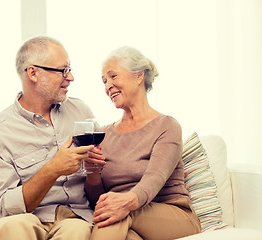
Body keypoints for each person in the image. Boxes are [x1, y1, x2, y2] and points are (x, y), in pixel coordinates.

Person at [0, 36, 105, 240]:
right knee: (15, 226)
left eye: (70, 69)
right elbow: (4, 207)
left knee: (77, 230)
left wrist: (94, 170)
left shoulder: (81, 111)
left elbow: (98, 185)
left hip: (74, 216)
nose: (71, 77)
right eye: (63, 70)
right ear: (33, 73)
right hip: (24, 217)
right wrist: (53, 168)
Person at [85, 46, 201, 240]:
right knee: (118, 224)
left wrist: (126, 202)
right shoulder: (104, 134)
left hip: (172, 214)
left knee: (114, 217)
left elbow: (154, 178)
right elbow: (98, 200)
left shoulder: (167, 126)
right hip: (124, 218)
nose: (107, 86)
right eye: (104, 81)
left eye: (113, 76)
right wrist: (92, 173)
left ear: (139, 76)